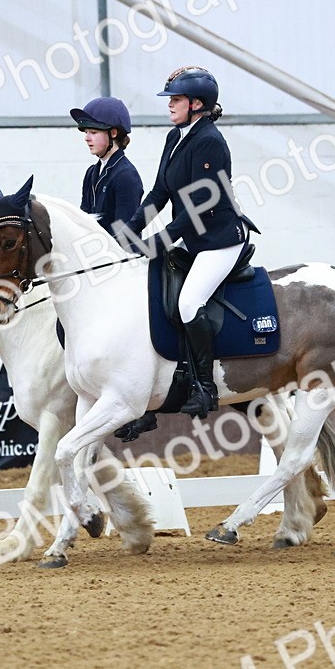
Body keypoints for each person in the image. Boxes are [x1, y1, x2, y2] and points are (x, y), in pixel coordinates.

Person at [123, 66, 256, 418]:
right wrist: (128, 231)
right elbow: (160, 192)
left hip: (220, 241)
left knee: (188, 302)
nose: (170, 105)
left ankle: (205, 387)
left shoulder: (209, 141)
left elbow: (202, 202)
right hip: (194, 239)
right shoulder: (176, 137)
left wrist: (161, 239)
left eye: (176, 99)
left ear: (197, 104)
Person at [70, 97, 143, 236]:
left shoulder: (126, 175)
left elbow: (124, 233)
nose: (87, 138)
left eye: (93, 132)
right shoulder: (91, 173)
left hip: (121, 255)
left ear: (113, 133)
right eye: (86, 132)